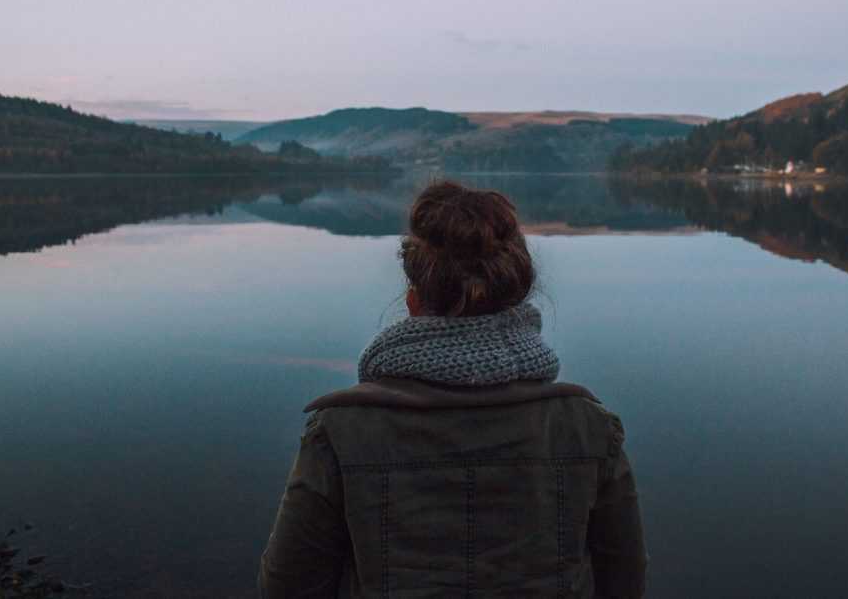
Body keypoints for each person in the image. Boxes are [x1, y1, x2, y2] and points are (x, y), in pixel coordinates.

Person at [259, 180, 647, 598]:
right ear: (516, 303)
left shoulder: (338, 434)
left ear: (413, 302)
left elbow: (287, 588)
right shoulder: (589, 428)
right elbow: (623, 583)